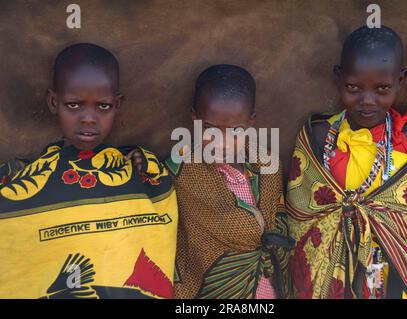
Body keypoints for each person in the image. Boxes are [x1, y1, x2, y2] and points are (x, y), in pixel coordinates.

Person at [0, 43, 178, 299]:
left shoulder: (140, 172)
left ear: (118, 104)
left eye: (102, 106)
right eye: (74, 105)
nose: (88, 118)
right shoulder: (24, 179)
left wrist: (146, 167)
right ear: (53, 102)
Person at [286, 26, 407, 299]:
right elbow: (301, 218)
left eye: (382, 88)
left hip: (397, 280)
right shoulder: (317, 136)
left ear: (401, 80)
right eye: (353, 87)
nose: (367, 100)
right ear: (338, 77)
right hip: (331, 279)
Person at [164, 64, 293, 299]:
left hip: (268, 290)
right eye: (209, 129)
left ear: (251, 122)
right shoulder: (183, 171)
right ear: (194, 118)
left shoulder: (268, 167)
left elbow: (279, 222)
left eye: (234, 131)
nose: (220, 143)